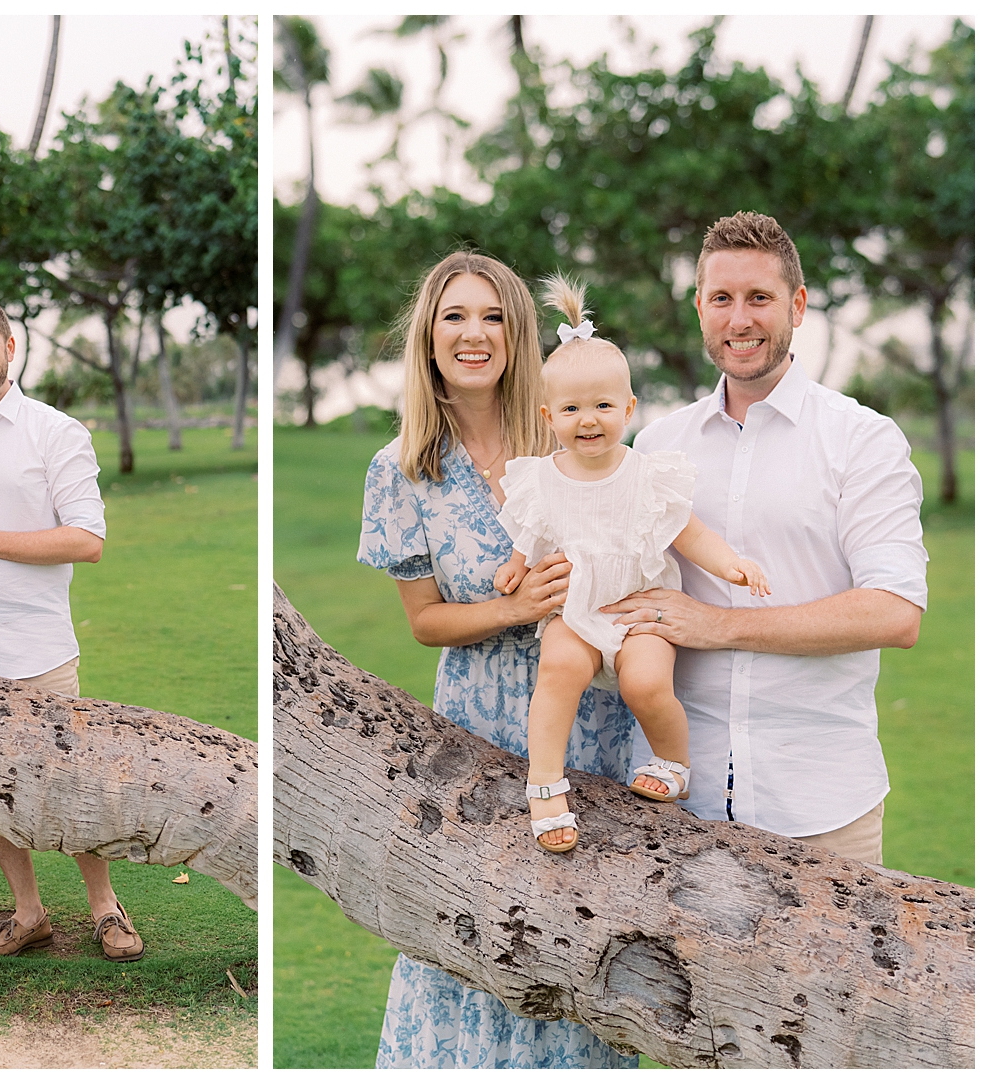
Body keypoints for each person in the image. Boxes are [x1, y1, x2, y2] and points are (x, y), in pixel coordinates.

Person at [357, 252, 637, 1069]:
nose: (473, 334)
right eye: (454, 317)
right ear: (429, 336)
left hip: (589, 720)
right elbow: (425, 622)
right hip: (475, 729)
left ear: (518, 334)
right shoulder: (402, 467)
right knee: (470, 928)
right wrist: (517, 606)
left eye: (492, 317)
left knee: (582, 935)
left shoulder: (569, 433)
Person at [602, 211, 927, 865]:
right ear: (699, 307)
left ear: (798, 306)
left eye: (759, 298)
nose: (739, 320)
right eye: (721, 299)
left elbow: (895, 611)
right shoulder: (659, 445)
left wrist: (716, 625)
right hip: (674, 808)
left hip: (822, 806)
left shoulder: (862, 441)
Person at [493, 275, 769, 853]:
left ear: (629, 408)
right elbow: (530, 534)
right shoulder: (540, 479)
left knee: (646, 681)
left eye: (602, 406)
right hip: (575, 609)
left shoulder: (647, 475)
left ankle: (672, 759)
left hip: (638, 609)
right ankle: (544, 782)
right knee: (558, 670)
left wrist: (731, 564)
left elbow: (688, 532)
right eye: (571, 408)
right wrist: (516, 569)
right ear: (549, 416)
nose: (587, 419)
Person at [0, 292, 145, 962]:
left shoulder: (56, 432)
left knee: (69, 784)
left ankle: (104, 908)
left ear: (11, 348)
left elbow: (87, 540)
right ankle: (29, 912)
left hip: (37, 645)